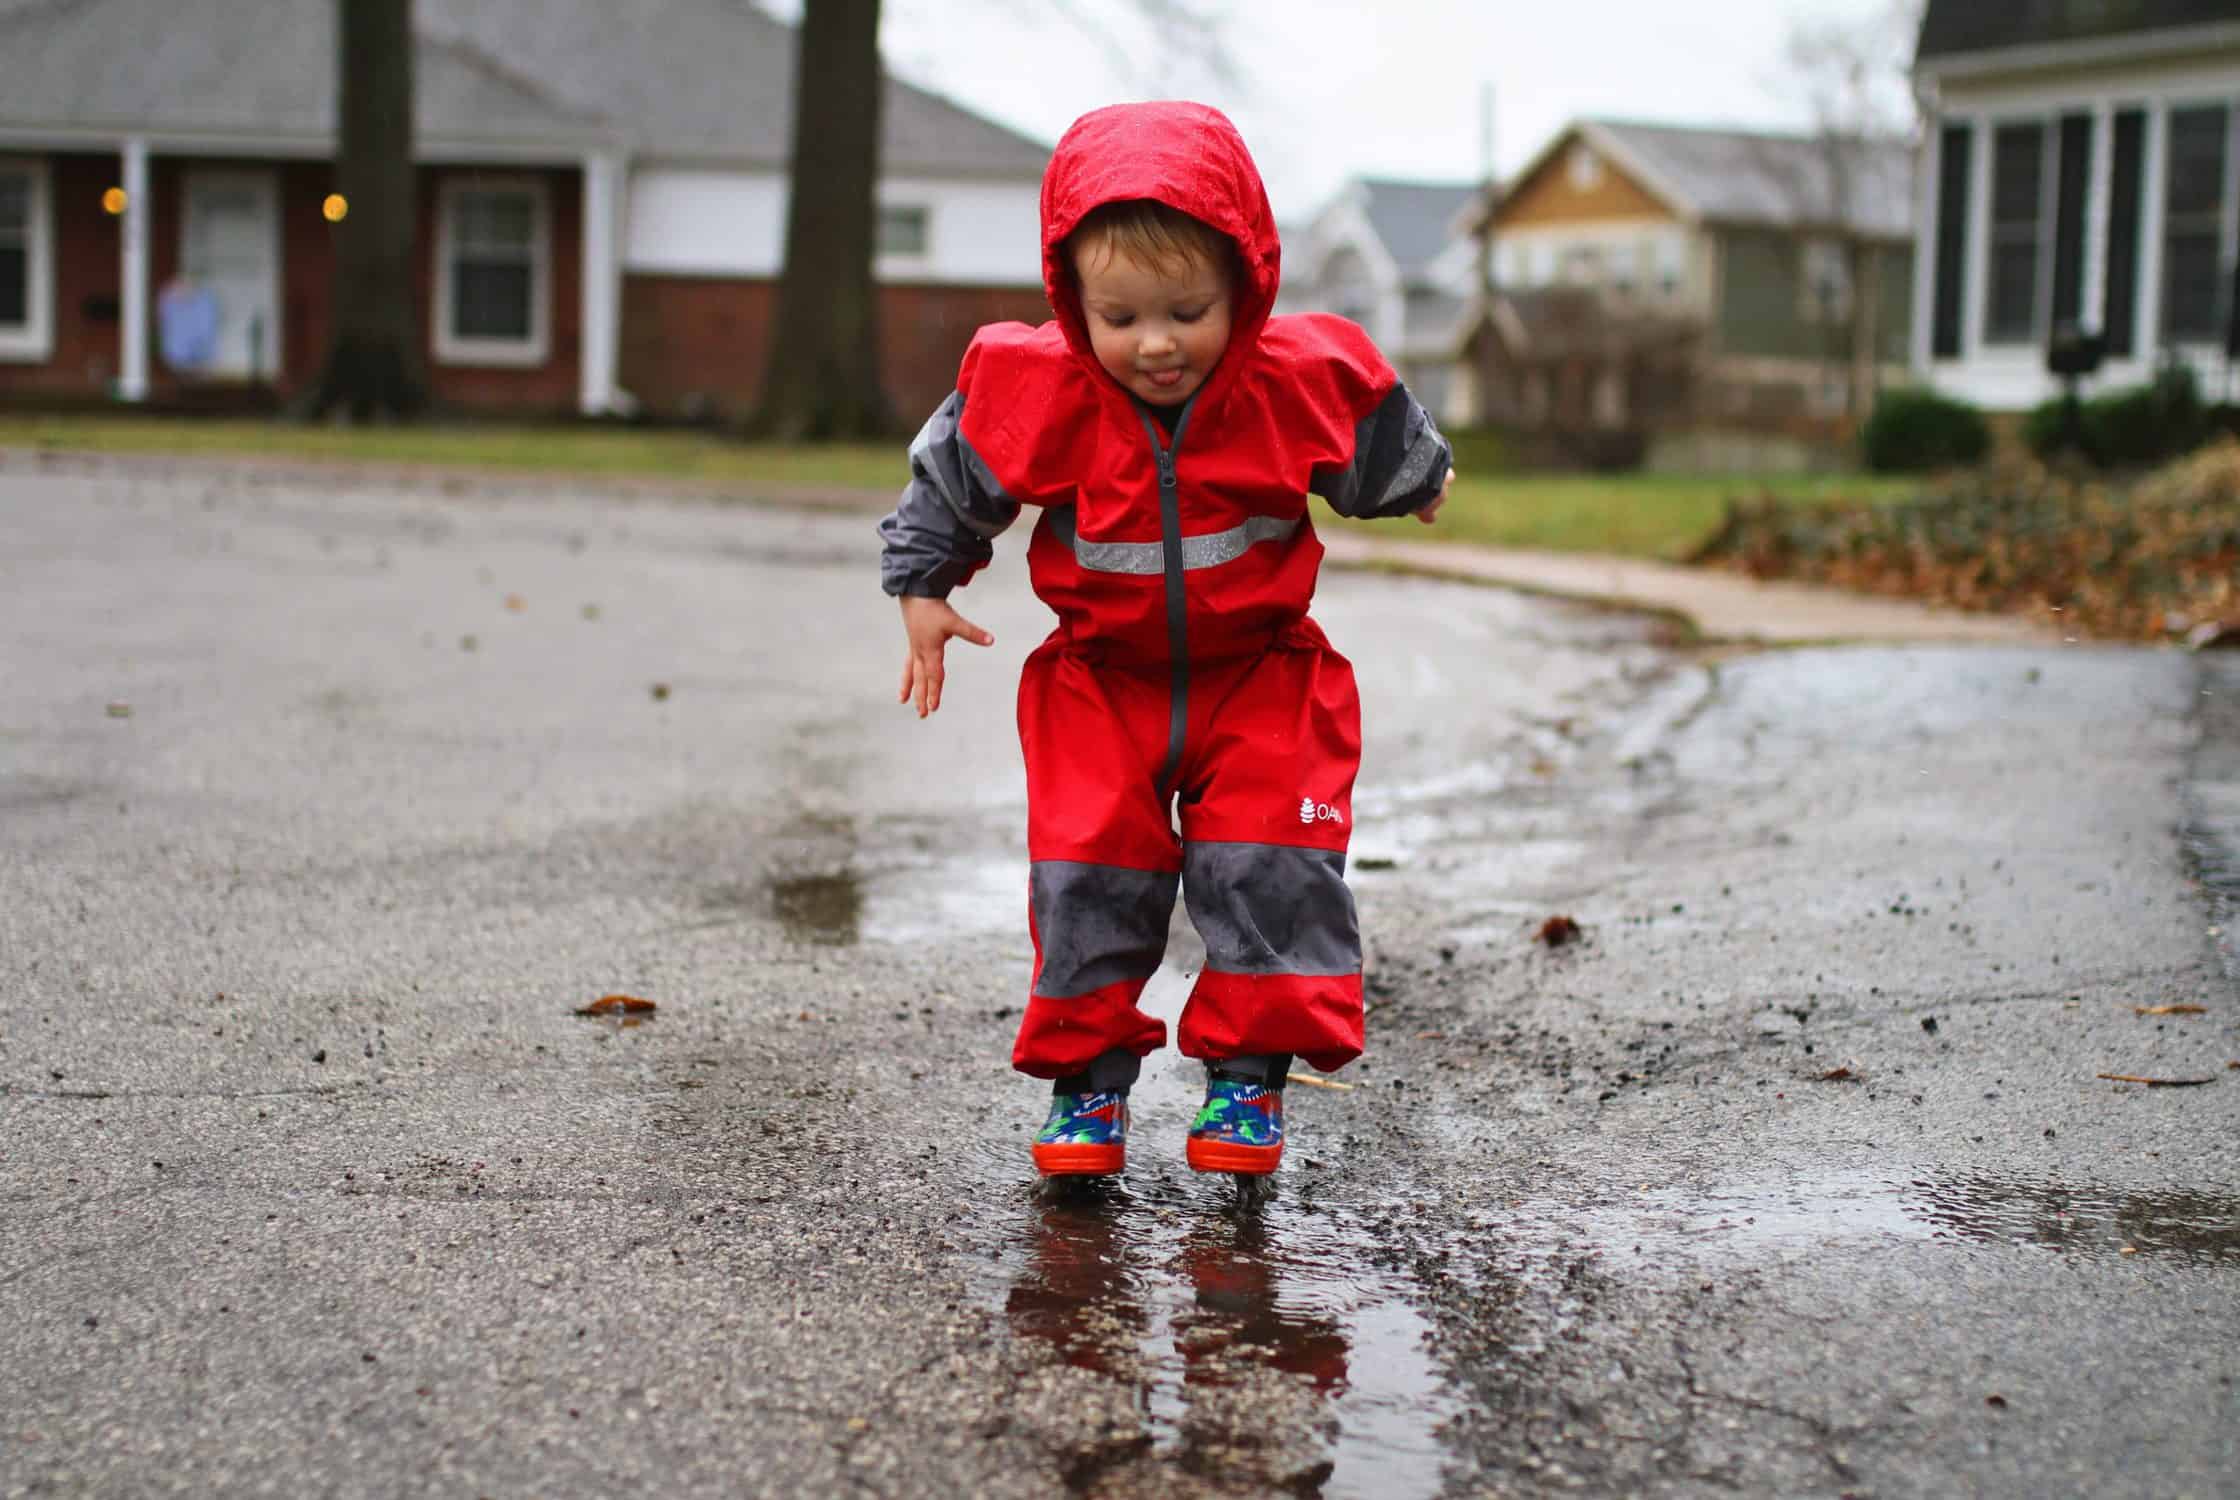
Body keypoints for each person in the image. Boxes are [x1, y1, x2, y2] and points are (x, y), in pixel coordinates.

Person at [877, 101, 1453, 1180]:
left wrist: (1416, 479)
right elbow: (953, 477)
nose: (1155, 342)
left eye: (1187, 310)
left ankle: (1246, 1083)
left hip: (1262, 679)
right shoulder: (1040, 388)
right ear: (1072, 303)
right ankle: (1085, 1089)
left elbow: (1370, 428)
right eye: (1120, 315)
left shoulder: (1288, 381)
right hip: (1101, 687)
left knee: (1270, 869)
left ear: (1244, 288)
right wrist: (920, 584)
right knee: (1090, 877)